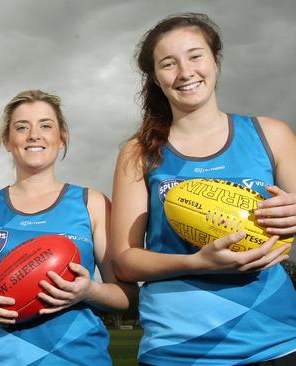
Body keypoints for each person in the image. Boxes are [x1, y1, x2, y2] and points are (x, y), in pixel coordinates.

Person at [111, 13, 296, 365]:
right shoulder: (139, 153)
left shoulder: (271, 134)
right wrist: (197, 262)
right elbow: (124, 261)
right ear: (155, 78)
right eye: (168, 63)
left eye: (195, 56)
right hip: (179, 349)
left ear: (216, 60)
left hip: (275, 341)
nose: (185, 72)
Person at [0, 90, 137, 365]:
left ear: (61, 139)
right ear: (7, 140)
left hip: (81, 358)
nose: (34, 135)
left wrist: (89, 291)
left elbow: (127, 295)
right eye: (21, 127)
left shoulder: (91, 203)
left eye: (46, 125)